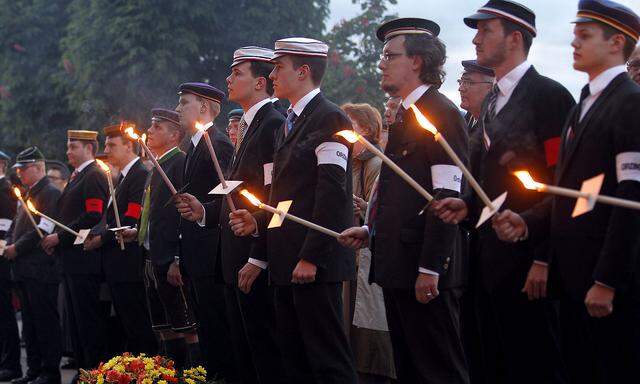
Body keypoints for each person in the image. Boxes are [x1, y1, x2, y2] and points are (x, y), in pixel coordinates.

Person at [493, 1, 640, 382]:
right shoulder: (584, 105)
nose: (573, 43)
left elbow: (630, 199)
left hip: (607, 284)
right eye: (574, 34)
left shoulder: (629, 103)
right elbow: (578, 193)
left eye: (585, 35)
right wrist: (526, 222)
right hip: (575, 279)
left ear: (616, 43)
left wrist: (607, 280)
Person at [431, 2, 576, 383]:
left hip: (528, 266)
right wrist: (464, 206)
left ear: (515, 38)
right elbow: (489, 185)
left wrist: (544, 259)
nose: (476, 39)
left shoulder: (550, 97)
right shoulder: (493, 101)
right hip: (485, 263)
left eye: (485, 30)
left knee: (532, 365)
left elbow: (563, 184)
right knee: (486, 363)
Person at [340, 18, 470, 384]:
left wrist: (431, 267)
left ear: (416, 61)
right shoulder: (406, 116)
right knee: (411, 370)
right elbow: (402, 192)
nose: (381, 63)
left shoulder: (440, 113)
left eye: (389, 55)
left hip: (423, 270)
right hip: (398, 263)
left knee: (438, 370)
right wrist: (371, 228)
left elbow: (447, 195)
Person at [229, 37, 357, 383]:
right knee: (295, 361)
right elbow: (283, 197)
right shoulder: (289, 121)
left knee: (327, 362)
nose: (272, 75)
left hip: (313, 264)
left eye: (279, 67)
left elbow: (331, 194)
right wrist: (257, 221)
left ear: (302, 72)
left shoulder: (330, 118)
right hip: (286, 260)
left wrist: (312, 256)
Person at [176, 46, 286, 383]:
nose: (228, 78)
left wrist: (260, 256)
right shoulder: (252, 126)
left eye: (237, 73)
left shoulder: (272, 125)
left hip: (252, 256)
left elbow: (277, 199)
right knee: (241, 353)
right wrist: (205, 211)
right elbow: (236, 191)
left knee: (261, 355)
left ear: (260, 82)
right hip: (232, 257)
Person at [119, 109, 199, 369]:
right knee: (164, 326)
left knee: (186, 326)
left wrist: (177, 257)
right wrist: (138, 232)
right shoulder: (157, 165)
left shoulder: (179, 163)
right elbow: (154, 213)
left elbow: (182, 213)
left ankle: (191, 374)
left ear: (175, 134)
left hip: (169, 257)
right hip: (151, 256)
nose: (149, 131)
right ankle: (169, 374)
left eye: (157, 127)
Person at [174, 82, 236, 381]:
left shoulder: (218, 143)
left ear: (203, 107)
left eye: (183, 103)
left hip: (212, 254)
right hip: (197, 253)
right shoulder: (195, 146)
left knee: (217, 326)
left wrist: (202, 208)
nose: (177, 109)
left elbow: (228, 197)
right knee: (206, 326)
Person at [40, 130, 108, 380]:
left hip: (84, 261)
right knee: (77, 325)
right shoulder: (77, 176)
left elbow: (93, 215)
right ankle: (83, 371)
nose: (68, 152)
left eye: (74, 147)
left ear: (89, 148)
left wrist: (60, 237)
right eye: (68, 147)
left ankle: (92, 373)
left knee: (88, 322)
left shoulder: (93, 175)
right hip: (71, 261)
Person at [84, 124, 157, 355]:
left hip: (128, 264)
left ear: (129, 146)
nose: (107, 149)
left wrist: (101, 238)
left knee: (138, 326)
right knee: (126, 326)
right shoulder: (120, 178)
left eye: (112, 145)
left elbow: (131, 217)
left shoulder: (139, 175)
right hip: (116, 265)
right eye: (105, 145)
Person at [340, 103, 395, 383]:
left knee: (368, 324)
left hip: (368, 259)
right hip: (352, 257)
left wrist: (363, 209)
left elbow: (376, 209)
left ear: (367, 130)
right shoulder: (351, 163)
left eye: (352, 126)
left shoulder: (374, 163)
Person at [5, 147, 63, 384]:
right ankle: (33, 369)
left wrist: (16, 248)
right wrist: (9, 243)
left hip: (41, 269)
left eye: (24, 169)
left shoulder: (49, 193)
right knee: (29, 325)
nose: (19, 174)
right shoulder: (27, 193)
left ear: (39, 167)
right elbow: (16, 227)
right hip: (24, 270)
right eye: (18, 170)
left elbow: (43, 230)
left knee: (44, 323)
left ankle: (50, 372)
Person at [0, 149, 21, 383]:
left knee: (5, 314)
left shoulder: (5, 189)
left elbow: (4, 228)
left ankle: (11, 362)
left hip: (2, 260)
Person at [458, 60, 494, 133]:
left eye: (469, 83)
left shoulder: (496, 126)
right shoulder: (469, 118)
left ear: (492, 88)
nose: (461, 89)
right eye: (461, 82)